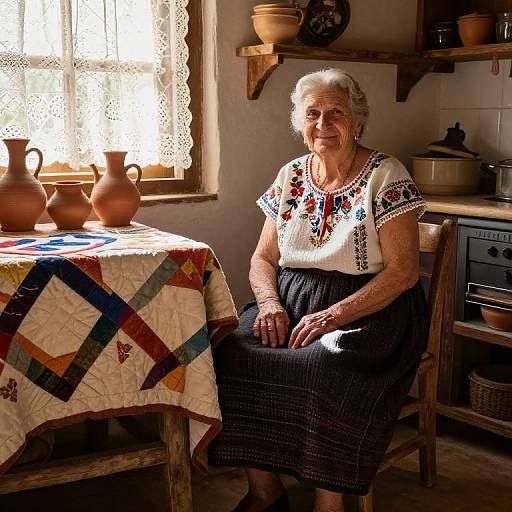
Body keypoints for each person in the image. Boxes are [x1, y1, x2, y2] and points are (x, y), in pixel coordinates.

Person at [209, 68, 428, 512]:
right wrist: (269, 302)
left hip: (370, 309)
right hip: (291, 300)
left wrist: (334, 316)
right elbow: (262, 259)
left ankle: (329, 503)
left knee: (322, 367)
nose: (323, 124)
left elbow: (404, 273)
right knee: (229, 351)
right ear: (300, 123)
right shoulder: (291, 175)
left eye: (336, 113)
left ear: (359, 122)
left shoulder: (386, 175)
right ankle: (265, 493)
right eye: (313, 114)